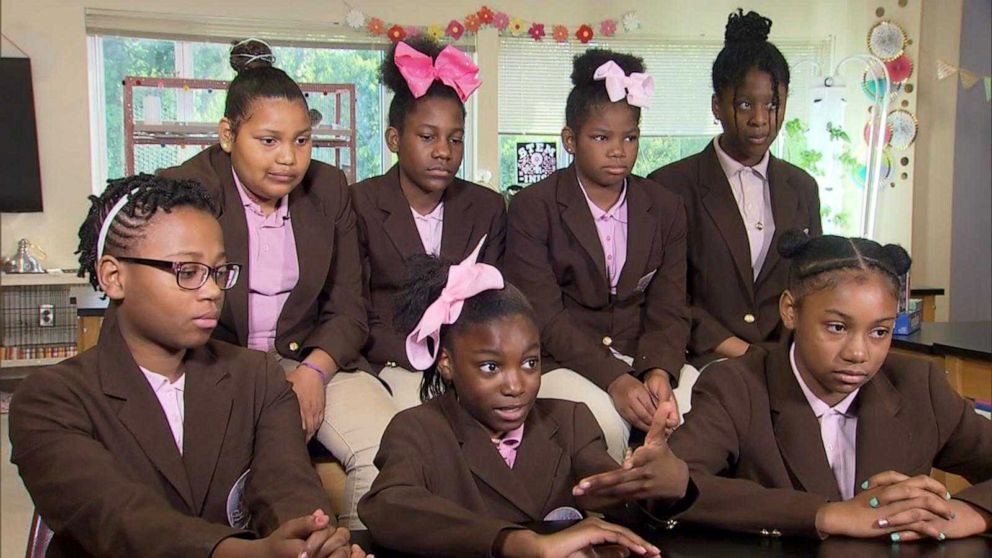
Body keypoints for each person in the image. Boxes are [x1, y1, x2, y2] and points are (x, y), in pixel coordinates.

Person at [9, 174, 369, 557]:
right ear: (114, 277)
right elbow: (116, 517)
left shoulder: (256, 377)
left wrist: (310, 542)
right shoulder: (50, 399)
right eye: (187, 271)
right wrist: (247, 553)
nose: (213, 290)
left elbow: (286, 484)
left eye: (218, 272)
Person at [158, 39, 387, 528]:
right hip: (215, 359)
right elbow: (172, 312)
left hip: (310, 356)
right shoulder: (188, 190)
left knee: (387, 447)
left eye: (302, 140)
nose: (288, 158)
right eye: (268, 140)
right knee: (240, 463)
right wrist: (267, 387)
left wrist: (313, 373)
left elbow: (349, 307)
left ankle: (353, 544)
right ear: (227, 134)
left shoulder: (328, 190)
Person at [358, 241, 695, 557]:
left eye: (530, 363)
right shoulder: (418, 430)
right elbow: (388, 506)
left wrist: (660, 483)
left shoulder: (569, 421)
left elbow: (607, 487)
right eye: (491, 367)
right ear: (447, 363)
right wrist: (514, 542)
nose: (516, 385)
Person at [668, 230, 991, 541]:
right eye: (837, 327)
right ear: (790, 310)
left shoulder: (920, 385)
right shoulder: (736, 386)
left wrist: (969, 512)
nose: (858, 353)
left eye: (880, 332)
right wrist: (826, 515)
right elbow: (674, 486)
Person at [504, 48, 690, 461]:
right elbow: (544, 318)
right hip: (565, 359)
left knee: (692, 415)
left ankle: (671, 520)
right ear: (570, 140)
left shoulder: (664, 207)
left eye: (630, 138)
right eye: (601, 137)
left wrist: (657, 368)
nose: (618, 150)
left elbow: (669, 307)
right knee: (603, 423)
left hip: (642, 353)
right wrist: (616, 379)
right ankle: (604, 519)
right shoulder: (534, 208)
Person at [648, 10, 822, 367]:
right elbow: (667, 298)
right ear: (717, 105)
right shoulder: (670, 186)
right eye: (744, 104)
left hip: (786, 364)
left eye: (772, 104)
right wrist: (742, 353)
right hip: (699, 361)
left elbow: (812, 286)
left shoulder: (803, 187)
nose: (760, 119)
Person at [350, 34, 504, 411]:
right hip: (392, 360)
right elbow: (353, 309)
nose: (443, 152)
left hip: (467, 359)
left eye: (455, 139)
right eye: (427, 137)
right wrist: (419, 353)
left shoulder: (486, 207)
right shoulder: (360, 204)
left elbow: (495, 301)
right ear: (394, 139)